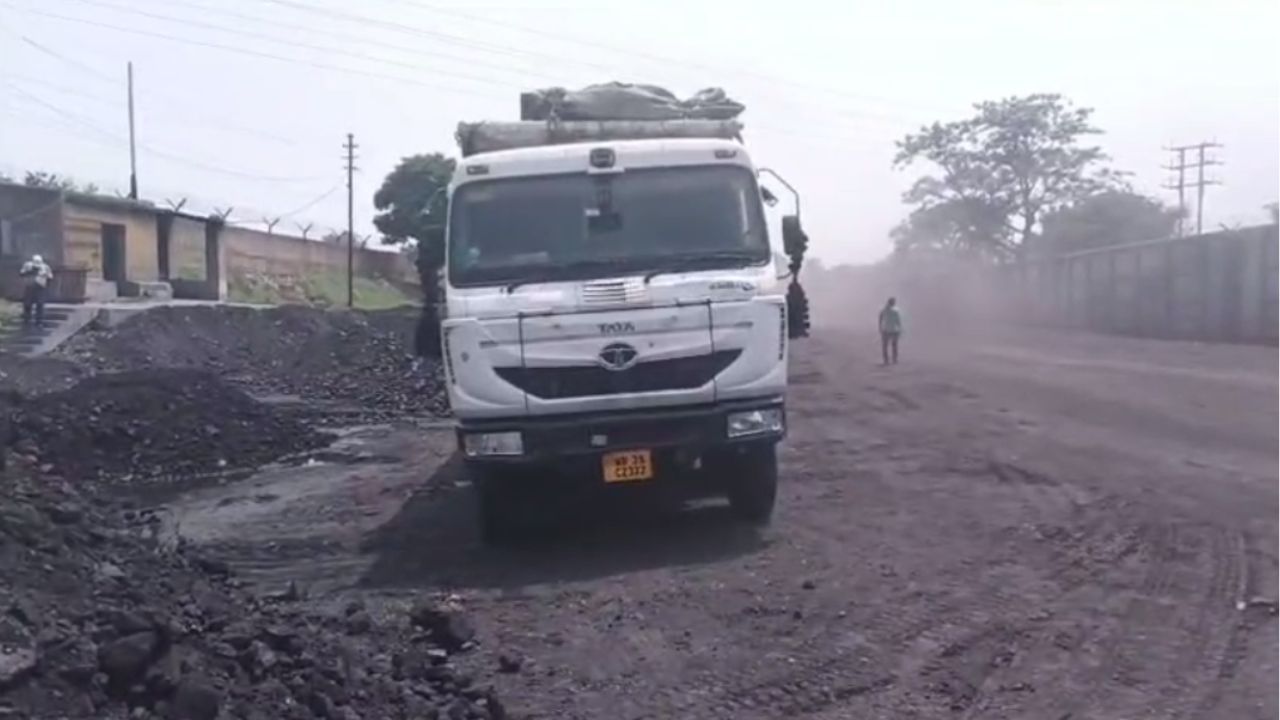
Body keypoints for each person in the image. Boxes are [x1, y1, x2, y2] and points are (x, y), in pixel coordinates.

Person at [19, 254, 52, 328]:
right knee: (27, 304)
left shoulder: (45, 267)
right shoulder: (27, 265)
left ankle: (39, 321)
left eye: (38, 263)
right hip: (29, 287)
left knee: (40, 304)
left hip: (40, 287)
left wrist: (44, 274)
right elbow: (21, 273)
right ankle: (26, 320)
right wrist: (28, 272)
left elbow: (50, 276)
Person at [878, 296, 902, 365]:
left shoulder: (883, 309)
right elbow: (898, 320)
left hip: (886, 329)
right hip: (893, 329)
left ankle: (887, 360)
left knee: (885, 345)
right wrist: (900, 328)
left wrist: (880, 327)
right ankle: (894, 359)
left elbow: (880, 318)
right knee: (894, 345)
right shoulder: (896, 310)